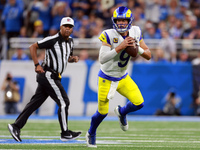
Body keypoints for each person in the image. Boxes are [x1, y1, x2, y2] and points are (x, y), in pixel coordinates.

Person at [85, 6, 151, 148]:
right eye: (118, 20)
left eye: (124, 20)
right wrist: (120, 47)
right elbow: (102, 58)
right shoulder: (109, 34)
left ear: (130, 21)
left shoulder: (135, 31)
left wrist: (136, 46)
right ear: (114, 21)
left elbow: (148, 55)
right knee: (102, 113)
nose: (121, 23)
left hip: (122, 77)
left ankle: (122, 112)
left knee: (139, 103)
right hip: (106, 78)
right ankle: (91, 133)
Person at [8, 17, 81, 142]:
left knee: (34, 103)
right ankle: (65, 132)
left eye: (70, 27)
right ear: (60, 27)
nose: (67, 29)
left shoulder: (71, 42)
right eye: (65, 26)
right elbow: (33, 47)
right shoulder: (52, 39)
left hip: (54, 75)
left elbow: (66, 57)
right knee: (64, 102)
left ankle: (16, 126)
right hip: (48, 74)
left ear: (73, 29)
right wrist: (36, 64)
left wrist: (72, 59)